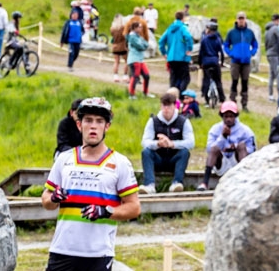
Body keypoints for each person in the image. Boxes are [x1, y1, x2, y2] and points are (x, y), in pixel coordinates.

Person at [41, 97, 141, 271]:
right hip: (62, 250)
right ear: (79, 125)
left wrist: (106, 212)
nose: (93, 126)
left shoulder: (120, 163)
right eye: (88, 120)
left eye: (99, 121)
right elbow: (46, 200)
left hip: (98, 254)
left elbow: (134, 207)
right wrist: (54, 198)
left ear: (107, 126)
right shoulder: (64, 159)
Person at [139, 90, 195, 194]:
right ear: (161, 106)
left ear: (174, 106)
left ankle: (177, 183)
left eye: (169, 106)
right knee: (146, 152)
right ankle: (149, 185)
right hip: (158, 159)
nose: (166, 109)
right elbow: (144, 142)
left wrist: (172, 144)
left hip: (175, 160)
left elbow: (191, 142)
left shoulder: (183, 121)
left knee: (185, 152)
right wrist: (158, 144)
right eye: (164, 106)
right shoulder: (153, 121)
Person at [201, 101, 255, 191]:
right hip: (221, 162)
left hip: (237, 163)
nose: (228, 119)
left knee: (242, 145)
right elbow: (209, 149)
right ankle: (204, 183)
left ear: (236, 116)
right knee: (214, 148)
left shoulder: (245, 130)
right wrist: (222, 138)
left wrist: (236, 147)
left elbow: (253, 149)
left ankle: (245, 180)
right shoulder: (215, 129)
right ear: (222, 116)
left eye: (231, 116)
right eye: (226, 116)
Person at [223, 12, 258, 111]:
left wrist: (252, 52)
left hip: (246, 61)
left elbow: (255, 44)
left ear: (245, 19)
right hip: (235, 61)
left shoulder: (250, 33)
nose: (241, 20)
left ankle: (244, 104)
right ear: (237, 19)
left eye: (243, 18)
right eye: (239, 18)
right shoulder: (231, 33)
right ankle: (232, 103)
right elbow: (225, 45)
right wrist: (230, 53)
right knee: (234, 81)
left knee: (245, 82)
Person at [159, 11, 195, 93]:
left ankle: (172, 96)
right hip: (182, 57)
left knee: (173, 78)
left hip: (171, 57)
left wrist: (164, 52)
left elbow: (161, 41)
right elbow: (188, 37)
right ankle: (181, 95)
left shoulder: (169, 28)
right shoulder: (183, 27)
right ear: (183, 18)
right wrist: (189, 49)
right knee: (185, 78)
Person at [198, 20, 226, 108]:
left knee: (206, 80)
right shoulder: (218, 40)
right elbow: (221, 52)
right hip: (215, 61)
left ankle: (206, 98)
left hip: (206, 62)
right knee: (218, 81)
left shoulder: (204, 40)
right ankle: (222, 98)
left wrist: (200, 63)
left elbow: (201, 53)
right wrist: (222, 62)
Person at [126, 20, 152, 97]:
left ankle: (145, 92)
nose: (141, 29)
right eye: (139, 27)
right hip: (134, 59)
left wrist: (143, 45)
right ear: (134, 28)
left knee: (146, 75)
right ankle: (132, 94)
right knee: (135, 76)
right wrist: (143, 46)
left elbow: (146, 44)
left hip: (140, 59)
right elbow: (140, 46)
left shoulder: (139, 37)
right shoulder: (132, 37)